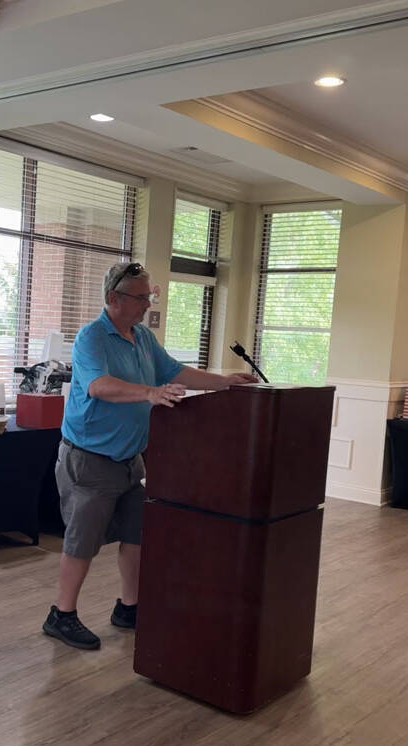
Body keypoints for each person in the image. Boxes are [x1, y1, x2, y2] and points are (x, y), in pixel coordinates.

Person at [42, 261, 258, 650]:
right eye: (141, 298)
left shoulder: (142, 337)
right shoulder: (92, 337)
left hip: (131, 461)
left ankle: (129, 607)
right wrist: (149, 393)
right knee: (82, 542)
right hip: (89, 461)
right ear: (113, 299)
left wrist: (224, 384)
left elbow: (174, 372)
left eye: (149, 297)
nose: (148, 305)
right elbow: (97, 386)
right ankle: (62, 614)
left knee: (137, 535)